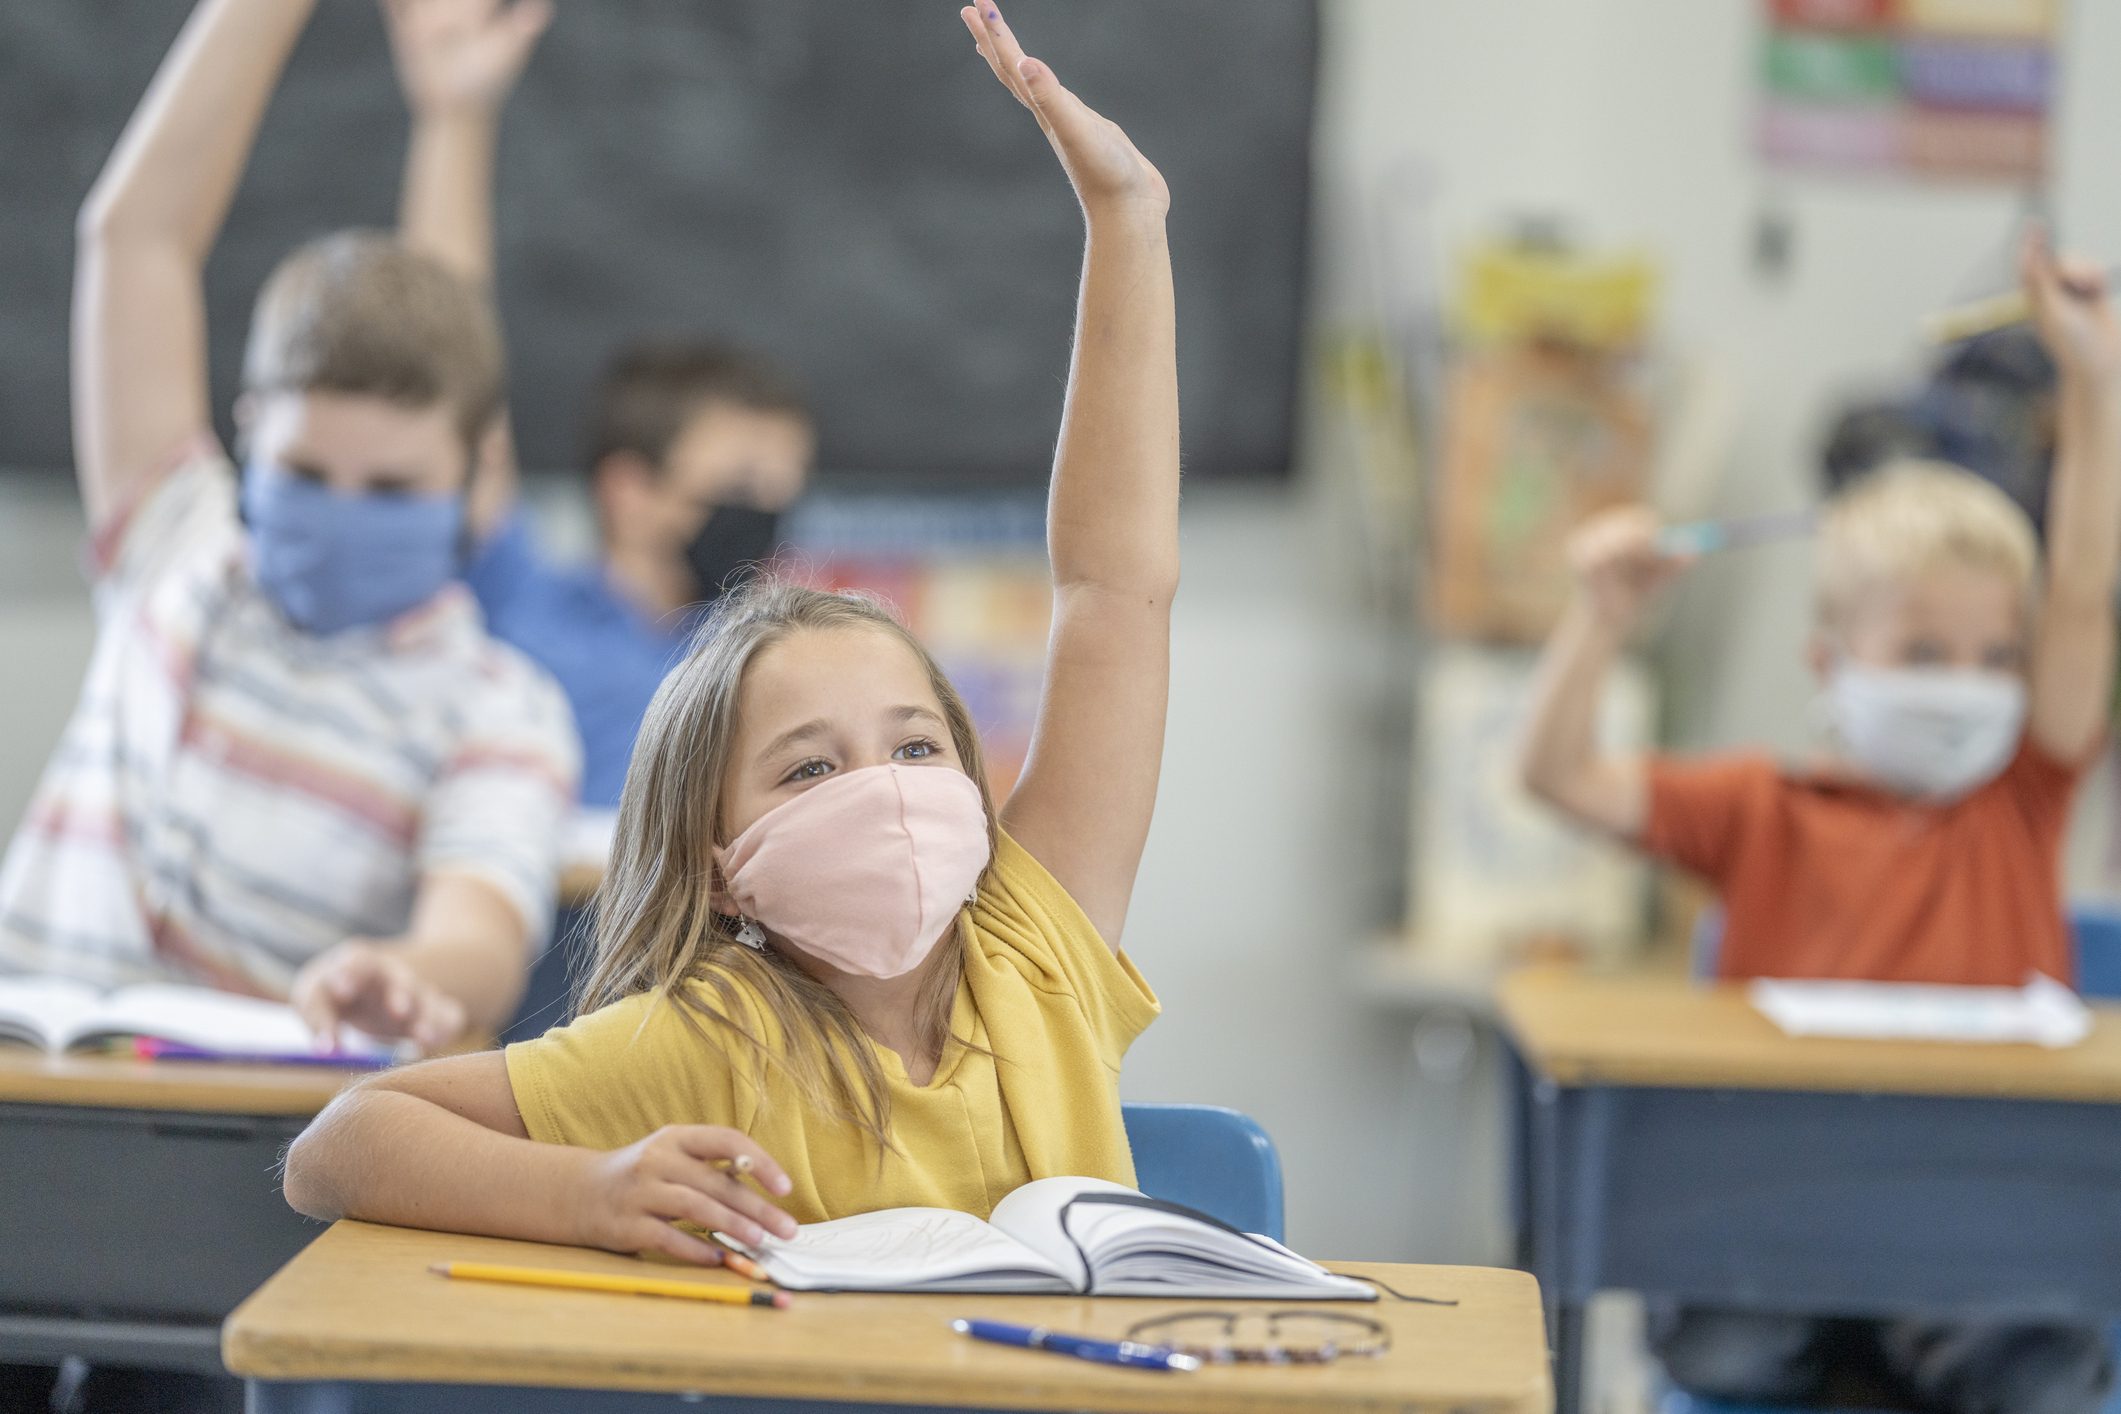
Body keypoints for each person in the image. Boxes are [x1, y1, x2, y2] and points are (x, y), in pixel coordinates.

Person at [283, 0, 1178, 1254]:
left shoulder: (1038, 953)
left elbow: (1114, 596)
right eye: (811, 769)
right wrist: (588, 1195)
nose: (886, 794)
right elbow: (338, 1143)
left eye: (919, 749)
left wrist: (1129, 222)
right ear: (717, 856)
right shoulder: (705, 1037)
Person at [1518, 233, 2121, 1412]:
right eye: (1923, 651)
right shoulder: (1757, 804)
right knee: (1719, 1343)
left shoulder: (2023, 791)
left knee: (2041, 1362)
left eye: (1999, 652)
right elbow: (1556, 775)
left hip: (1967, 1235)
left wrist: (2094, 385)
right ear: (1828, 663)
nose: (1968, 679)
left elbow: (2087, 597)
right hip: (1777, 1230)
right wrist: (1599, 618)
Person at [0, 0, 580, 1057]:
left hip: (225, 1134)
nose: (343, 511)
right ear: (248, 432)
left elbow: (482, 938)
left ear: (470, 475)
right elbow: (136, 238)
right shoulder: (177, 542)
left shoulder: (497, 709)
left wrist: (407, 975)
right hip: (23, 1078)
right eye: (307, 473)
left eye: (394, 488)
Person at [382, 0, 817, 811]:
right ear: (630, 489)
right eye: (739, 485)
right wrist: (453, 121)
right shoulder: (516, 603)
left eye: (781, 492)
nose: (766, 517)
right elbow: (445, 363)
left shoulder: (769, 664)